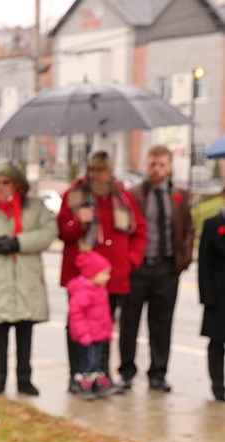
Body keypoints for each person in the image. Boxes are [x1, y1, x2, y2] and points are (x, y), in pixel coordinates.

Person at [0, 160, 57, 395]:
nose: (2, 187)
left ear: (17, 184)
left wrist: (19, 242)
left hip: (25, 280)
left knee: (25, 334)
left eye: (7, 182)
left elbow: (48, 232)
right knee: (0, 335)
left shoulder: (35, 208)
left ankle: (25, 378)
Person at [57, 151, 146, 393]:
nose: (96, 175)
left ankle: (102, 375)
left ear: (110, 172)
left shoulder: (123, 197)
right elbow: (62, 232)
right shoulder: (73, 196)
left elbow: (139, 231)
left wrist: (131, 260)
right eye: (93, 170)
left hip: (113, 275)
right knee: (79, 325)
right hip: (83, 276)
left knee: (104, 326)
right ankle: (78, 375)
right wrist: (78, 221)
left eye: (101, 170)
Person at [117, 145, 194, 392]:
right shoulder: (134, 194)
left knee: (162, 324)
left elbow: (189, 229)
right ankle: (127, 371)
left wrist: (183, 259)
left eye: (161, 164)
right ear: (146, 165)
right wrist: (128, 261)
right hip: (138, 269)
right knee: (129, 322)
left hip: (166, 269)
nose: (156, 169)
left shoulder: (179, 195)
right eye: (152, 164)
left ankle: (158, 373)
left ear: (169, 166)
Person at [66, 251, 116, 399]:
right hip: (87, 336)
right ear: (92, 274)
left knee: (98, 360)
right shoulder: (83, 292)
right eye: (104, 274)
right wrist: (82, 333)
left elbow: (104, 315)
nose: (108, 277)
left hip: (99, 335)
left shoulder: (100, 290)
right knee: (88, 362)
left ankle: (97, 384)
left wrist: (107, 331)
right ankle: (84, 385)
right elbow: (76, 315)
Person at [198, 182, 225, 402]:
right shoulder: (212, 224)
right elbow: (204, 263)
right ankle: (218, 385)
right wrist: (207, 296)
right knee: (217, 342)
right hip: (218, 295)